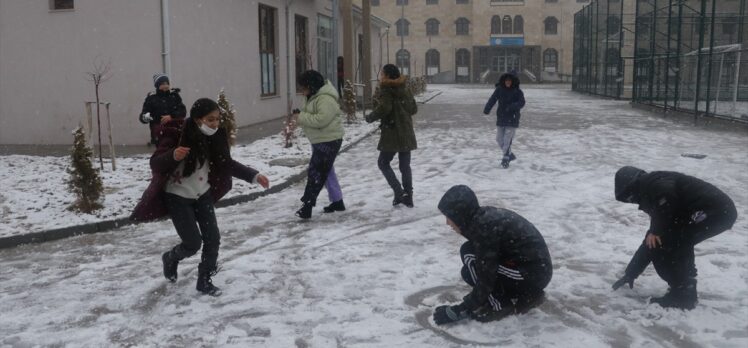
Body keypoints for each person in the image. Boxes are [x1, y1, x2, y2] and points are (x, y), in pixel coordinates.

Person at [131, 98, 270, 296]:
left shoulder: (216, 137)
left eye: (217, 119)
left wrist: (254, 175)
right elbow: (156, 163)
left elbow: (226, 163)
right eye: (210, 119)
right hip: (177, 197)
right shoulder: (176, 135)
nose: (215, 124)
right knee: (192, 244)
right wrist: (173, 155)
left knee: (213, 239)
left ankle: (205, 280)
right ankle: (170, 258)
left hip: (202, 194)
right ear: (197, 119)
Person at [611, 166, 737, 310]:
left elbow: (667, 197)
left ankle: (683, 294)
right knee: (668, 241)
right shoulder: (656, 197)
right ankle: (684, 291)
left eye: (630, 197)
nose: (633, 201)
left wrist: (656, 231)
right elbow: (650, 239)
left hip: (715, 212)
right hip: (717, 211)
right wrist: (631, 272)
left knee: (669, 244)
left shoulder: (655, 183)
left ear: (633, 185)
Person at [433, 185, 552, 325]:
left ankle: (500, 305)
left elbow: (486, 276)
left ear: (460, 215)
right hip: (531, 270)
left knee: (471, 259)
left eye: (449, 217)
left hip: (532, 274)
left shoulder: (485, 229)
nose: (447, 223)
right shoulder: (481, 219)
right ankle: (526, 295)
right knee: (468, 264)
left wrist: (462, 309)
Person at [293, 70, 345, 219]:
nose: (302, 92)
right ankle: (337, 201)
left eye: (304, 88)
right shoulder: (313, 96)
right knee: (327, 171)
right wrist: (300, 115)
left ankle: (307, 206)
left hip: (328, 140)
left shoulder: (325, 99)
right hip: (320, 139)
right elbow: (310, 114)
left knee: (316, 172)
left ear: (312, 85)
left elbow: (321, 120)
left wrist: (301, 117)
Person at [365, 64, 418, 207]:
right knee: (405, 166)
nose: (381, 76)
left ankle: (399, 192)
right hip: (406, 131)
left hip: (392, 131)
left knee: (383, 163)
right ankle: (408, 195)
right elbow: (413, 109)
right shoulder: (405, 89)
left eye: (382, 74)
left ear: (388, 75)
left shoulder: (386, 89)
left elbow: (385, 108)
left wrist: (371, 117)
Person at [483, 73, 525, 168]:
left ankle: (505, 158)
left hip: (512, 118)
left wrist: (513, 106)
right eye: (506, 81)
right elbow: (492, 99)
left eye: (509, 81)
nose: (508, 82)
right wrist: (487, 108)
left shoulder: (517, 91)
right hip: (501, 117)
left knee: (507, 140)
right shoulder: (499, 89)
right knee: (499, 139)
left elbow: (522, 102)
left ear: (512, 82)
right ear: (504, 81)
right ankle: (509, 154)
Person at [139, 73, 187, 145]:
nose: (165, 86)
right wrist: (145, 117)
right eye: (162, 84)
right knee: (162, 153)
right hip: (159, 133)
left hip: (176, 131)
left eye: (166, 83)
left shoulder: (174, 95)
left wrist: (171, 117)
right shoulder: (151, 98)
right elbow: (144, 115)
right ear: (157, 86)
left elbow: (182, 111)